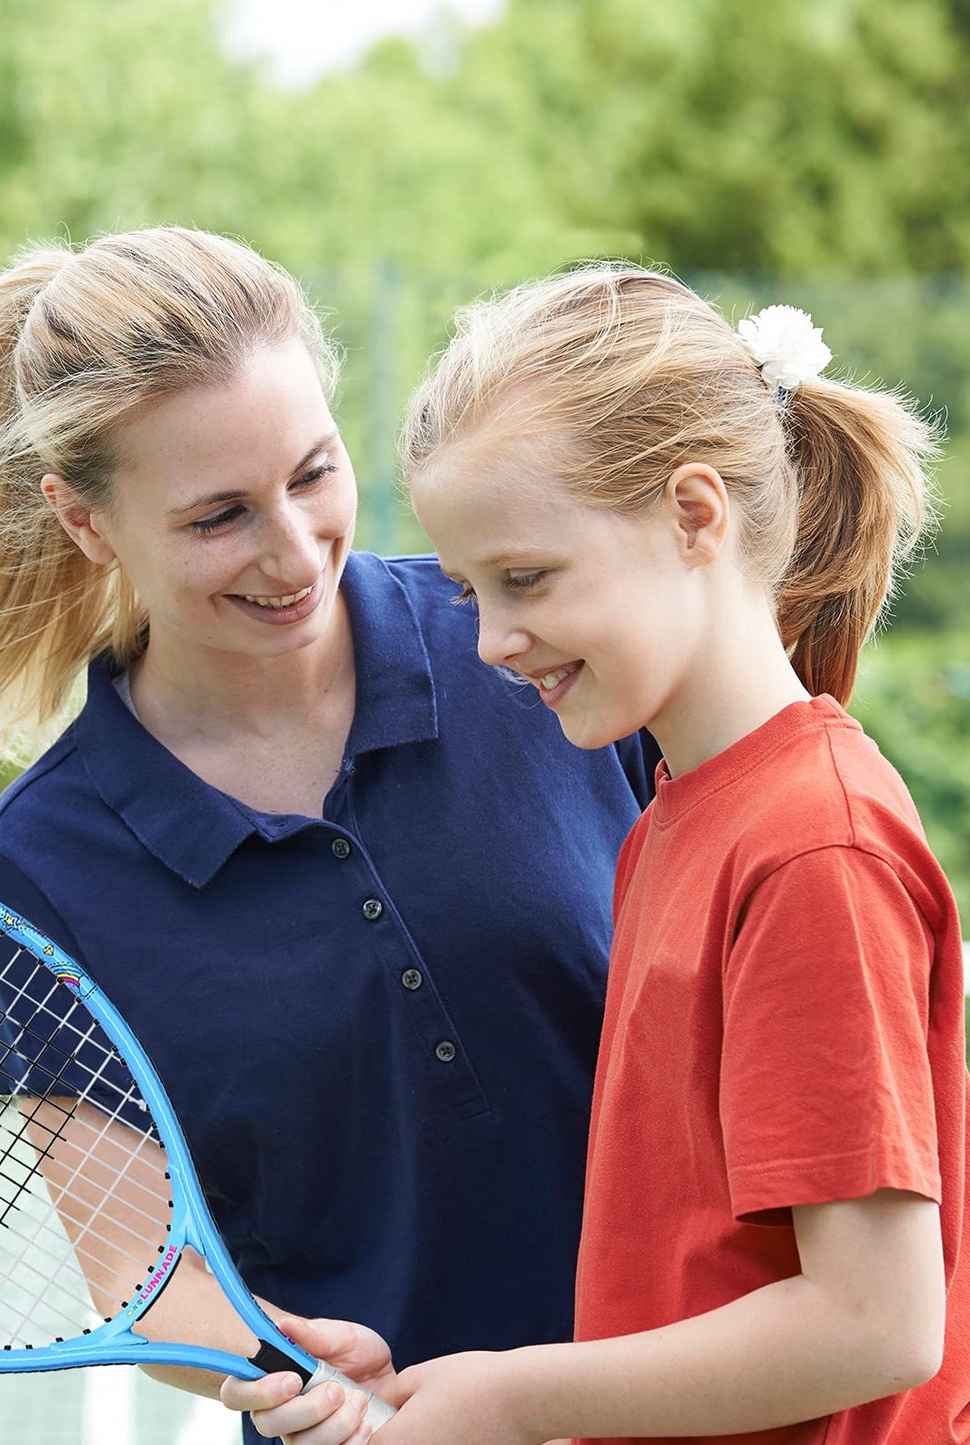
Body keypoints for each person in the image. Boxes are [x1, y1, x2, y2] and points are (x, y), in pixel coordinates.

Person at [0, 228, 657, 1440]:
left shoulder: (530, 650)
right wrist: (291, 1363)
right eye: (217, 516)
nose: (292, 550)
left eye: (311, 473)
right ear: (85, 522)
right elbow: (146, 1268)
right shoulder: (46, 861)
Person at [226, 263, 969, 1445]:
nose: (490, 640)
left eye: (523, 579)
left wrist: (518, 1395)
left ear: (692, 514)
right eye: (469, 589)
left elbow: (877, 1321)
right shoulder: (676, 811)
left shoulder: (809, 846)